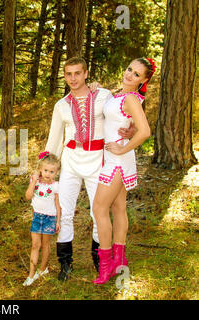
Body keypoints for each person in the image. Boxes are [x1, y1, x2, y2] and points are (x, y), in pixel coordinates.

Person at [44, 57, 134, 281]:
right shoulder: (61, 105)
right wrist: (44, 169)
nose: (73, 78)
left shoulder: (103, 96)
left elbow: (119, 118)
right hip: (71, 161)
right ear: (64, 77)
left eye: (77, 73)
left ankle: (99, 259)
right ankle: (65, 262)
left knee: (98, 212)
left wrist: (130, 132)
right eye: (68, 74)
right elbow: (54, 140)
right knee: (64, 212)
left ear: (86, 73)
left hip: (98, 161)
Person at [92, 58, 155, 284]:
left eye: (136, 74)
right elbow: (135, 125)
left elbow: (145, 131)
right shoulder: (123, 95)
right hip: (115, 157)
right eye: (129, 69)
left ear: (143, 80)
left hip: (117, 160)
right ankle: (119, 260)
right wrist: (98, 88)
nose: (129, 75)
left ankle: (106, 265)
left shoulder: (130, 98)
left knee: (99, 208)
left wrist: (123, 148)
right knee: (118, 208)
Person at [23, 151, 61, 286]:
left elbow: (57, 205)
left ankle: (43, 269)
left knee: (45, 245)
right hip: (37, 217)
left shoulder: (55, 186)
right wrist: (33, 182)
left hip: (50, 218)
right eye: (45, 170)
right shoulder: (36, 182)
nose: (47, 174)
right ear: (40, 169)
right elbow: (28, 196)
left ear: (56, 173)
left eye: (51, 172)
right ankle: (31, 275)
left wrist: (58, 221)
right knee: (35, 245)